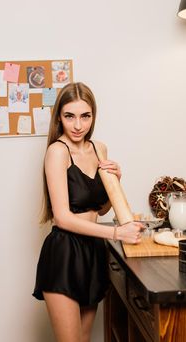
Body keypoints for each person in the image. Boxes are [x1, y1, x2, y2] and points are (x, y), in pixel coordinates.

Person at [33, 82, 145, 342]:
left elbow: (100, 209)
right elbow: (62, 217)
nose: (78, 125)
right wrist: (117, 233)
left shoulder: (99, 148)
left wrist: (117, 179)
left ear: (93, 116)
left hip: (93, 251)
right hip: (64, 254)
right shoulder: (57, 152)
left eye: (85, 116)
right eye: (69, 116)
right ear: (59, 117)